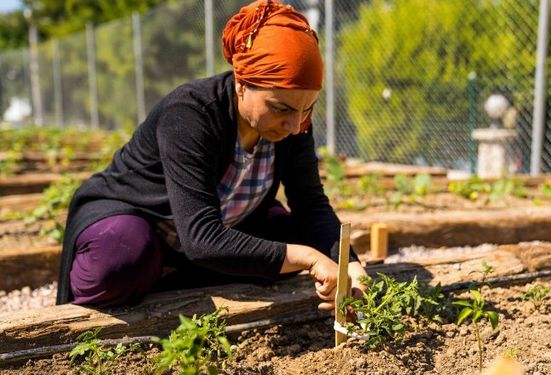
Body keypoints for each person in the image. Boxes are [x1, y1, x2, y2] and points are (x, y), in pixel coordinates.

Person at [55, 0, 368, 311]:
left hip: (219, 228)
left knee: (298, 236)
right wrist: (309, 257)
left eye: (307, 108)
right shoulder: (191, 114)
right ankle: (156, 271)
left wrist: (350, 266)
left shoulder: (295, 123)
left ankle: (178, 275)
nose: (295, 123)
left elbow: (310, 205)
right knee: (122, 260)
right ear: (242, 84)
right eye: (280, 108)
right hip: (143, 222)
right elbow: (202, 237)